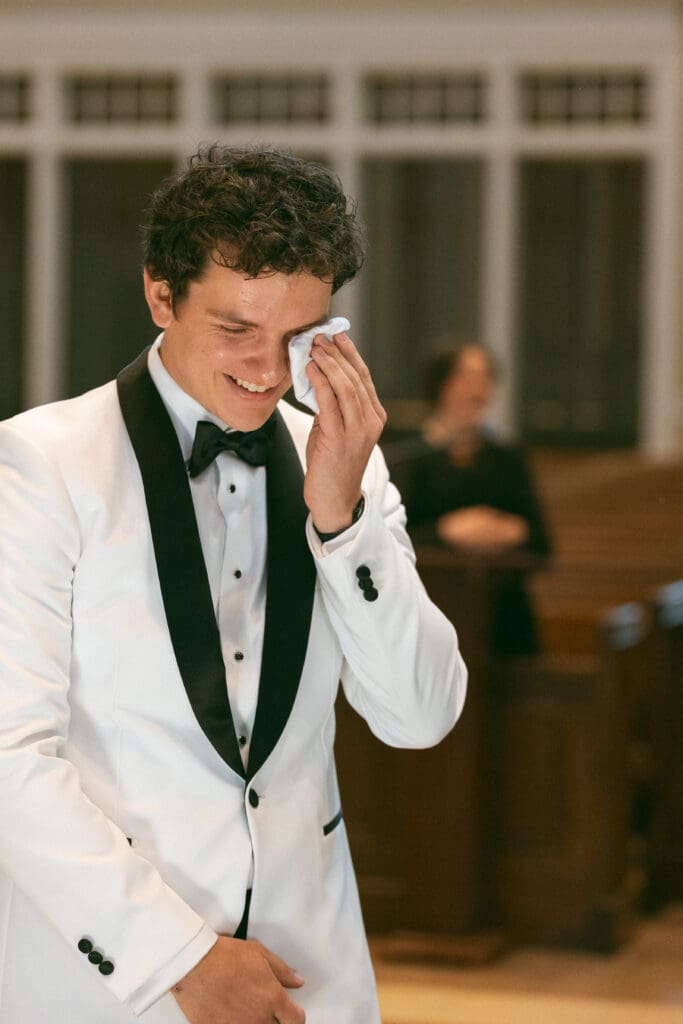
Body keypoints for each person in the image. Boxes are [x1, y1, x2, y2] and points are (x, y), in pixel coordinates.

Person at [0, 145, 466, 1024]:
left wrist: (340, 517)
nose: (269, 368)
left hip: (309, 967)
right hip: (110, 979)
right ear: (159, 295)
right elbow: (9, 759)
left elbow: (418, 717)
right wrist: (179, 959)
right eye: (236, 329)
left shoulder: (348, 469)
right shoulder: (39, 463)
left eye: (300, 335)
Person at [396, 342, 551, 655]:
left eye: (485, 379)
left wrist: (510, 531)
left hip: (503, 618)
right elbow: (390, 540)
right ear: (440, 384)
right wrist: (446, 532)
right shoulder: (409, 458)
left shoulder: (507, 458)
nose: (477, 389)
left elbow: (542, 543)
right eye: (465, 378)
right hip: (429, 611)